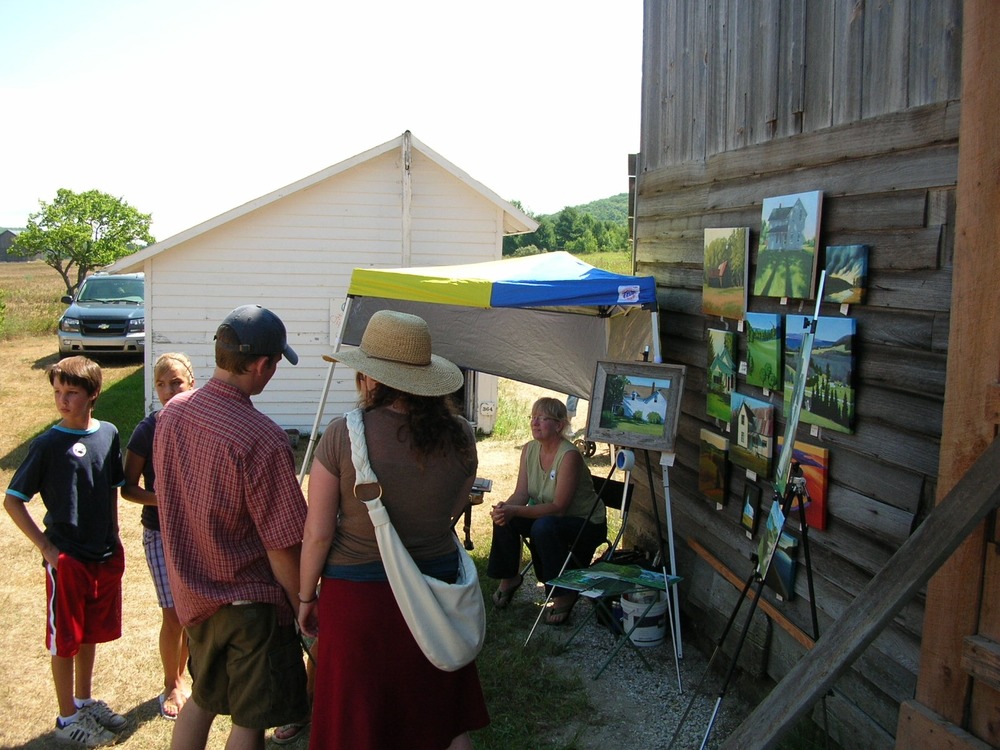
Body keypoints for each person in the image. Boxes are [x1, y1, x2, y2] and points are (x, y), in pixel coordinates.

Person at [298, 310, 489, 750]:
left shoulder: (343, 435)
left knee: (359, 723)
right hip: (437, 593)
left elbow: (318, 533)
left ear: (370, 377)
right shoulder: (462, 435)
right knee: (444, 718)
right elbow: (452, 510)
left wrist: (307, 597)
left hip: (359, 601)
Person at [153, 305, 309, 750]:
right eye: (275, 364)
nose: (273, 373)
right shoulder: (262, 437)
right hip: (249, 607)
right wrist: (305, 603)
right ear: (261, 365)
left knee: (202, 700)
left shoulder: (172, 414)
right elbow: (282, 546)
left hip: (194, 597)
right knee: (249, 720)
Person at [4, 356, 128, 748]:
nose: (62, 400)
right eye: (57, 392)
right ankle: (66, 717)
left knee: (89, 632)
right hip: (68, 559)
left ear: (94, 394)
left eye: (71, 392)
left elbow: (111, 488)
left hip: (103, 554)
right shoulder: (47, 444)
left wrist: (114, 537)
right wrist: (47, 548)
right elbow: (13, 500)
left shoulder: (108, 433)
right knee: (66, 639)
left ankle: (83, 701)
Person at [487, 397, 607, 625]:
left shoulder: (569, 455)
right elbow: (521, 493)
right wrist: (506, 508)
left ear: (559, 425)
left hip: (585, 523)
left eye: (542, 418)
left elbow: (558, 508)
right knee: (505, 517)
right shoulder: (529, 449)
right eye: (532, 417)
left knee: (543, 526)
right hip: (550, 518)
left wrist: (515, 511)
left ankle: (563, 593)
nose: (534, 423)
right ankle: (509, 577)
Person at [121, 352, 195, 721]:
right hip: (160, 533)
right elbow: (127, 488)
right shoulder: (147, 429)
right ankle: (172, 683)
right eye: (161, 385)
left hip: (196, 533)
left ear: (192, 382)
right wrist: (164, 500)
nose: (168, 390)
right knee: (174, 614)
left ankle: (187, 675)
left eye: (176, 382)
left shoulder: (202, 424)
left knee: (194, 611)